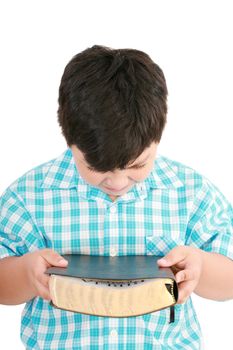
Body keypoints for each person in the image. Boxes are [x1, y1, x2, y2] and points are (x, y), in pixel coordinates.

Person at [0, 45, 233, 350]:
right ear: (70, 141)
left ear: (158, 137)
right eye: (97, 168)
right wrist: (26, 274)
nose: (118, 181)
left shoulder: (191, 193)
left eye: (137, 165)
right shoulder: (28, 197)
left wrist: (200, 266)